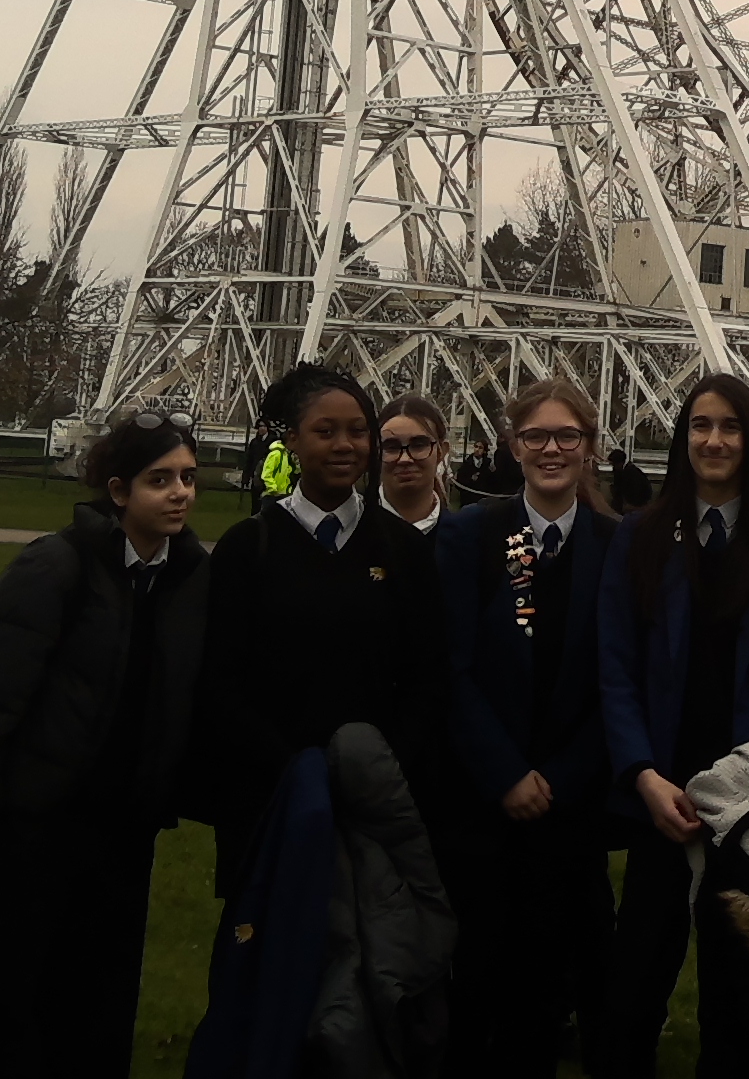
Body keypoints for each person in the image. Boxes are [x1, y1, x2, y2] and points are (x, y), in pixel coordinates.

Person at [0, 410, 208, 1077]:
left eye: (187, 478)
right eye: (160, 480)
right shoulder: (56, 566)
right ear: (118, 491)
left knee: (100, 1005)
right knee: (16, 1004)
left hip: (124, 828)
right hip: (39, 827)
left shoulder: (187, 579)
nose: (179, 493)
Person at [592, 374, 749, 1079]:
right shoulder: (639, 539)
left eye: (729, 427)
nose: (714, 440)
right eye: (700, 426)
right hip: (664, 794)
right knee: (635, 979)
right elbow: (615, 668)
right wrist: (642, 774)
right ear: (683, 439)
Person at [184, 361, 454, 884]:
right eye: (325, 432)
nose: (344, 445)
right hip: (270, 794)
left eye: (358, 432)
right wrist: (294, 771)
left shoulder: (402, 549)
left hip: (376, 799)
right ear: (292, 440)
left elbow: (428, 674)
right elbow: (219, 681)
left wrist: (379, 769)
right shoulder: (248, 547)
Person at [431, 378, 624, 1079]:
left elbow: (618, 679)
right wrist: (505, 773)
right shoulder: (471, 536)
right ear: (513, 447)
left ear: (588, 448)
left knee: (549, 982)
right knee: (476, 974)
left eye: (566, 436)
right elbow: (449, 668)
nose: (551, 449)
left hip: (569, 806)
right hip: (486, 801)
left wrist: (561, 776)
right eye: (536, 436)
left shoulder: (616, 545)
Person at [379, 392, 458, 533]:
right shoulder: (347, 535)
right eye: (392, 447)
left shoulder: (467, 539)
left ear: (442, 451)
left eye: (418, 445)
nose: (405, 459)